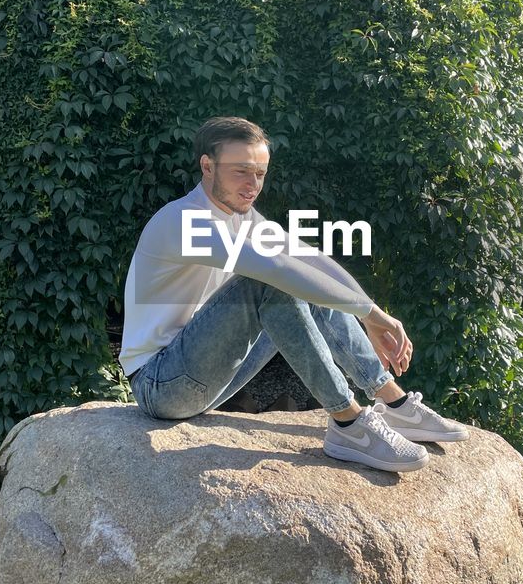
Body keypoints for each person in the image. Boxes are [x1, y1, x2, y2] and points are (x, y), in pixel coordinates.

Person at [119, 116, 471, 473]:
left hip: (205, 377)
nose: (252, 184)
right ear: (207, 167)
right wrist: (370, 316)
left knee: (306, 282)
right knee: (272, 283)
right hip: (160, 385)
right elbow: (277, 271)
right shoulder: (182, 222)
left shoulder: (242, 218)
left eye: (259, 173)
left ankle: (391, 401)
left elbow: (310, 261)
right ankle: (348, 423)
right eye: (240, 171)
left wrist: (374, 312)